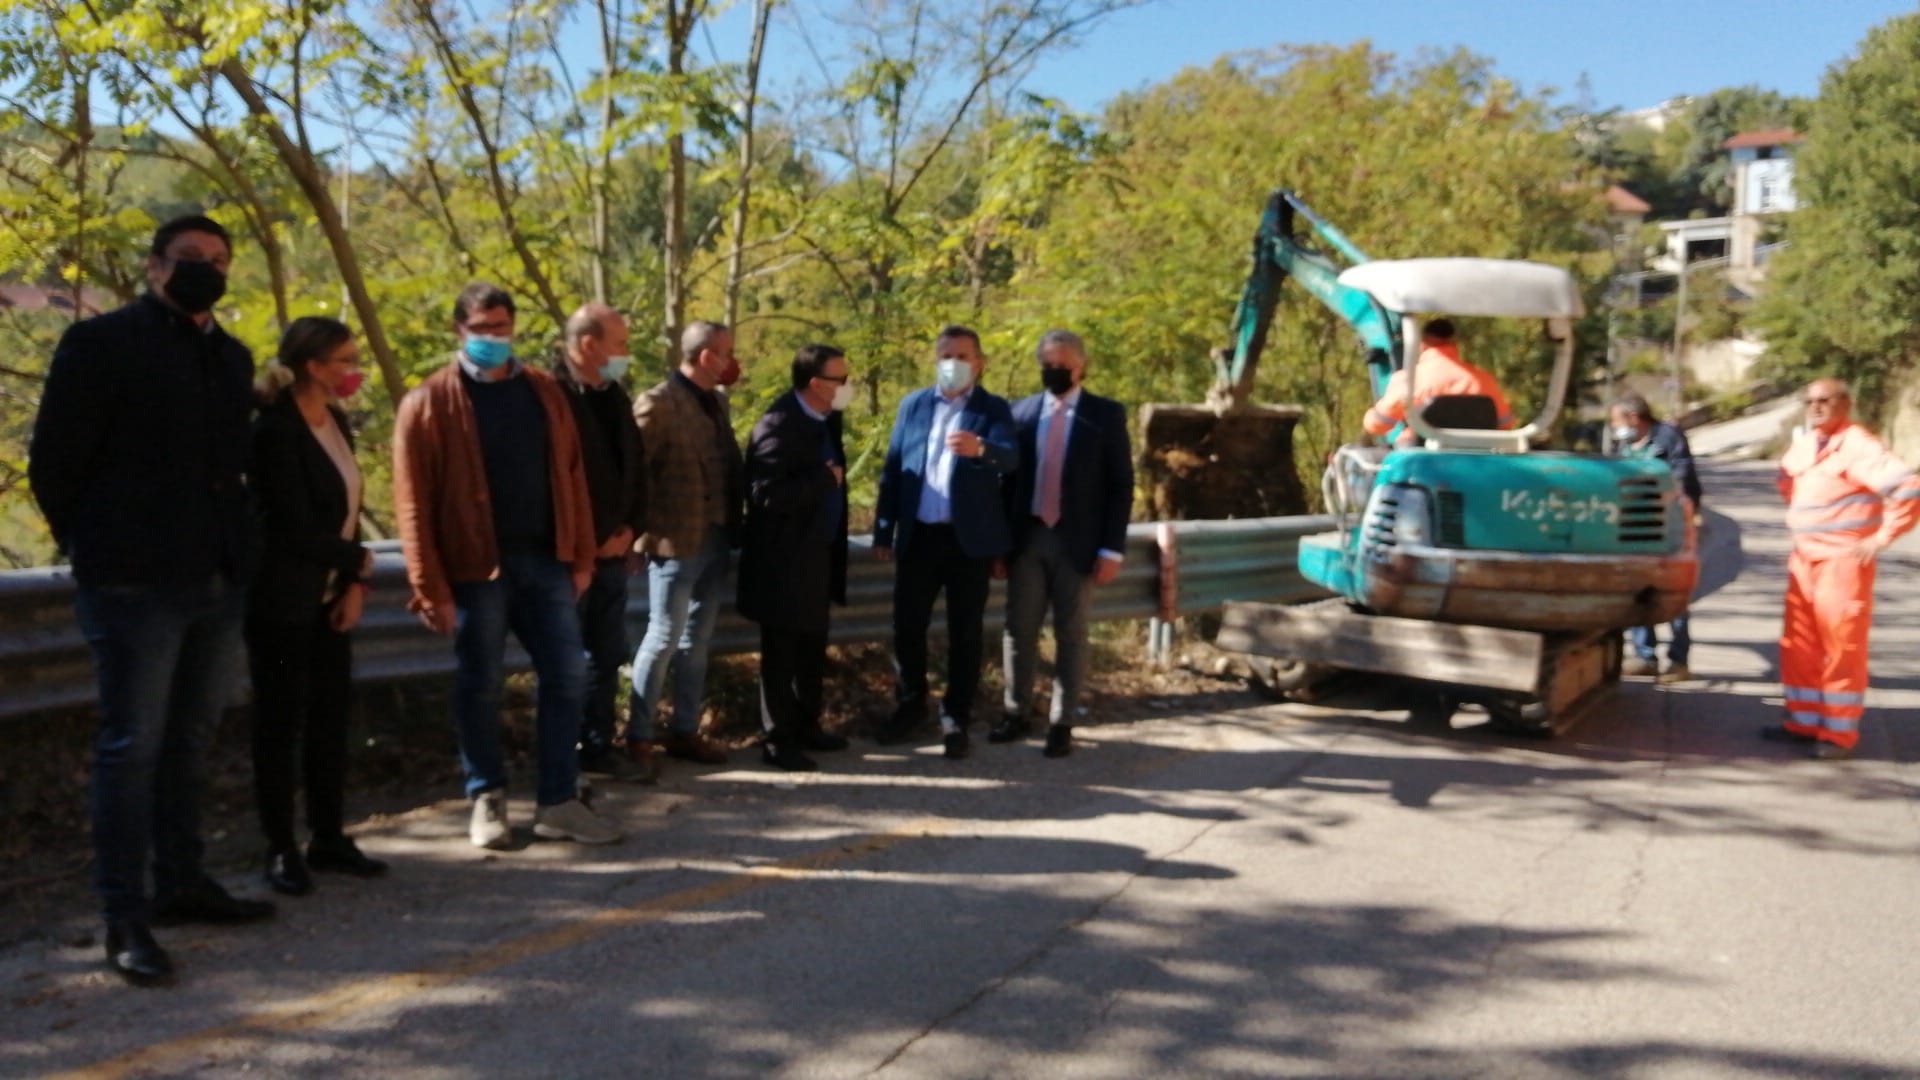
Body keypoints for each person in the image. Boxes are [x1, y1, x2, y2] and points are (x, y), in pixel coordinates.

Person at [29, 214, 275, 985]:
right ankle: (123, 915)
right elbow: (55, 465)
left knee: (190, 740)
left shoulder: (231, 358)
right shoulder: (101, 345)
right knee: (131, 748)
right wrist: (100, 547)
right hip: (133, 582)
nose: (205, 270)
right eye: (189, 259)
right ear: (153, 267)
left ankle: (182, 882)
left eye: (219, 260)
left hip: (216, 578)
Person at [392, 281, 621, 848]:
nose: (492, 338)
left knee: (569, 674)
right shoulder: (429, 401)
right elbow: (412, 499)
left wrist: (583, 556)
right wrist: (428, 585)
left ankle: (558, 800)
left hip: (547, 560)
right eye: (481, 329)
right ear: (459, 331)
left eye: (501, 327)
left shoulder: (543, 391)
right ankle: (487, 797)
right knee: (480, 684)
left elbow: (572, 475)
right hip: (476, 568)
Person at [246, 316, 389, 898]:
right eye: (345, 361)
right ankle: (279, 845)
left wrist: (352, 583)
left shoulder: (338, 422)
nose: (354, 372)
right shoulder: (274, 432)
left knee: (331, 722)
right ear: (313, 365)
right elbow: (291, 525)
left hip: (330, 594)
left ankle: (328, 835)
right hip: (281, 601)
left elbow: (348, 509)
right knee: (281, 725)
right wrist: (358, 563)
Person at [871, 325, 1019, 759]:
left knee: (965, 634)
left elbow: (1011, 460)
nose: (952, 363)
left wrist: (981, 450)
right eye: (945, 355)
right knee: (907, 628)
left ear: (979, 362)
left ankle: (956, 717)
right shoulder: (913, 405)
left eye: (961, 355)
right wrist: (884, 529)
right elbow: (894, 469)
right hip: (918, 538)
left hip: (967, 543)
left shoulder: (993, 409)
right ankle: (910, 705)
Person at [992, 329, 1134, 759]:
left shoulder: (1105, 415)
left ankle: (1062, 721)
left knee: (1071, 633)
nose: (1054, 372)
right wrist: (1000, 546)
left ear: (1081, 366)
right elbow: (1005, 483)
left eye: (1063, 365)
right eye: (1047, 365)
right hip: (1028, 537)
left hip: (1078, 543)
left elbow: (1120, 486)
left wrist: (1112, 549)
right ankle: (1016, 712)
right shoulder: (1019, 413)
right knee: (1019, 630)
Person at [1769, 377, 1920, 760]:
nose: (1816, 407)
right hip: (1804, 558)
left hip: (1842, 562)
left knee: (1841, 646)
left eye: (1825, 400)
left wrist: (1880, 538)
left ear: (1845, 403)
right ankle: (1804, 723)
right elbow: (1787, 481)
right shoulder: (1806, 443)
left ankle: (1837, 735)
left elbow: (1907, 488)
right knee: (1799, 644)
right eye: (1810, 401)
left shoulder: (1858, 446)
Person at [627, 320, 745, 772]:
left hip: (715, 537)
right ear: (706, 357)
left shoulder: (716, 402)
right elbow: (635, 476)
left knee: (698, 641)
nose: (732, 362)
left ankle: (684, 731)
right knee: (662, 637)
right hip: (674, 542)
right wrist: (636, 536)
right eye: (727, 352)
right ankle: (638, 738)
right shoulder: (658, 403)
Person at [737, 344, 854, 771]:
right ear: (816, 384)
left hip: (819, 555)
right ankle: (777, 740)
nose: (847, 386)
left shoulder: (827, 418)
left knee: (811, 647)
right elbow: (763, 495)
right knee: (782, 651)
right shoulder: (778, 424)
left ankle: (807, 725)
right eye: (840, 379)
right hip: (783, 562)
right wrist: (821, 480)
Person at [554, 304, 653, 784]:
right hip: (570, 557)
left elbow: (634, 465)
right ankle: (560, 755)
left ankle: (597, 745)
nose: (625, 354)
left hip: (615, 552)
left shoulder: (613, 393)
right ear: (589, 344)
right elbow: (557, 481)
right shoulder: (550, 395)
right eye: (620, 343)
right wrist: (589, 544)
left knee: (608, 651)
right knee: (564, 658)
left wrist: (631, 530)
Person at [1609, 393, 1703, 684]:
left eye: (1617, 421)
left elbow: (1682, 479)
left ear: (1634, 418)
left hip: (1668, 526)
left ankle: (1678, 660)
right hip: (1633, 529)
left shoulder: (1668, 438)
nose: (1615, 428)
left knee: (1672, 593)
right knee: (1638, 590)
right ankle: (1644, 656)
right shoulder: (1624, 445)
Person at [1362, 318, 1514, 446]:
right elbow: (1505, 423)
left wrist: (1370, 418)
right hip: (1475, 454)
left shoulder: (1408, 379)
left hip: (1420, 454)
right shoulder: (1483, 379)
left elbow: (1379, 424)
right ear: (1453, 343)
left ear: (1422, 344)